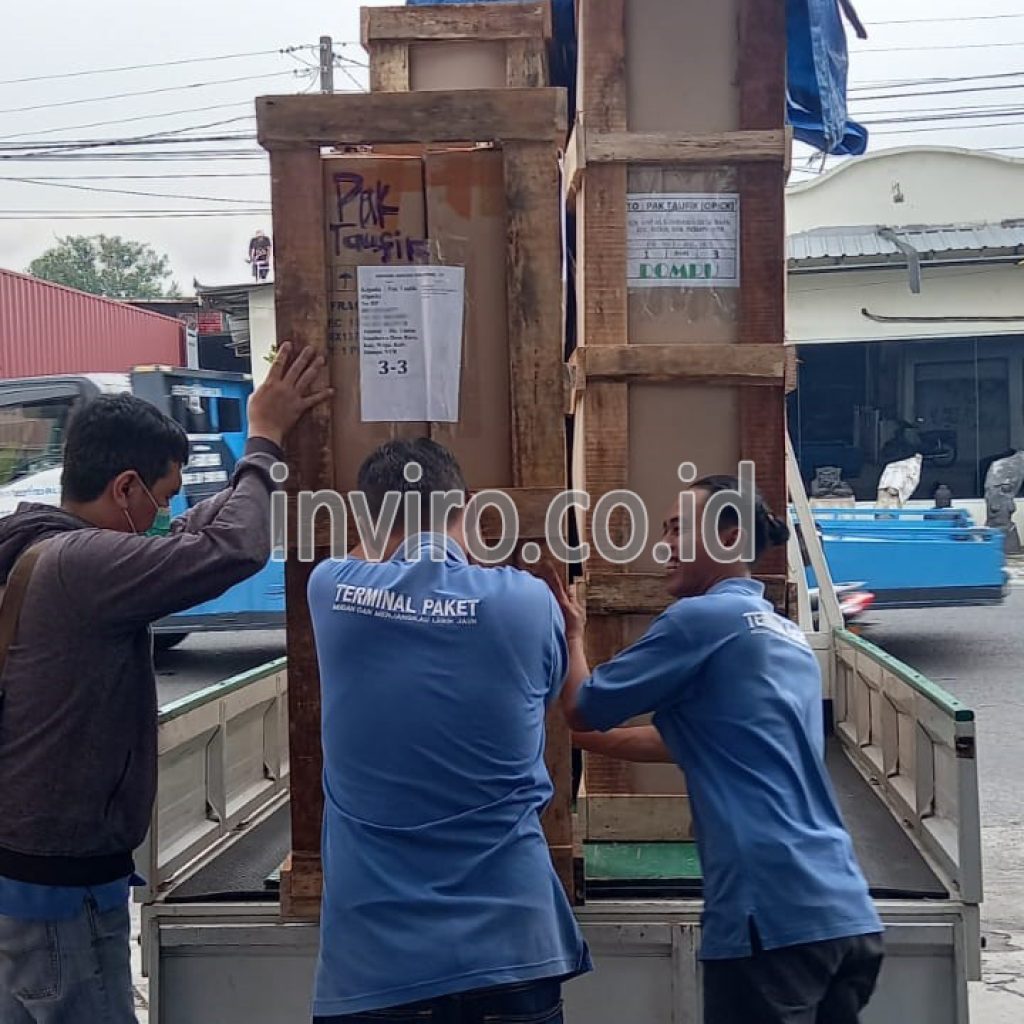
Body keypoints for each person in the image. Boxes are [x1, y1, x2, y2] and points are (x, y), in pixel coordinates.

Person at [0, 342, 330, 1023]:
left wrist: (201, 508)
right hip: (60, 891)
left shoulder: (37, 543)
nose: (161, 515)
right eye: (160, 496)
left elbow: (178, 539)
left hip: (27, 877)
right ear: (124, 487)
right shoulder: (79, 566)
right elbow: (231, 549)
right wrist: (263, 440)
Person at [543, 474, 885, 1024]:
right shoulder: (783, 633)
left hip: (767, 919)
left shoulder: (700, 620)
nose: (666, 545)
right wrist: (586, 738)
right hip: (845, 915)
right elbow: (702, 741)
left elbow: (583, 707)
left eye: (679, 529)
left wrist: (573, 636)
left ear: (728, 536)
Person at [306, 437, 591, 1023]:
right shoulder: (529, 603)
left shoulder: (332, 590)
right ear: (469, 507)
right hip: (513, 947)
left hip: (377, 964)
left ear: (367, 516)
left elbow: (373, 553)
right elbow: (576, 705)